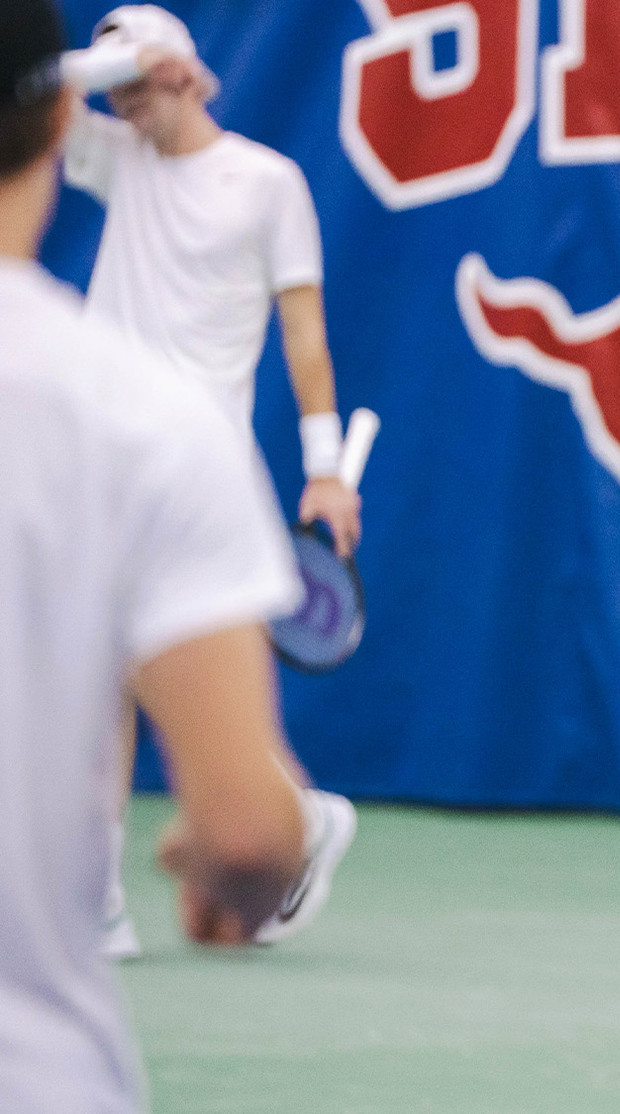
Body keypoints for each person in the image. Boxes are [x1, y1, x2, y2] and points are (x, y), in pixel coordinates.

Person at [0, 1, 308, 1106]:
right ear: (54, 126)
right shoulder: (146, 427)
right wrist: (234, 863)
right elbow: (245, 835)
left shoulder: (253, 188)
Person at [58, 4, 359, 957]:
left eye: (139, 79)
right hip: (103, 461)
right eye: (114, 86)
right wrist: (120, 63)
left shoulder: (268, 183)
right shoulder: (111, 153)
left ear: (186, 72)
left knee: (167, 678)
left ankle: (294, 820)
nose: (125, 100)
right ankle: (103, 896)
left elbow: (305, 331)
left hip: (202, 472)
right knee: (96, 678)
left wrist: (324, 471)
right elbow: (25, 87)